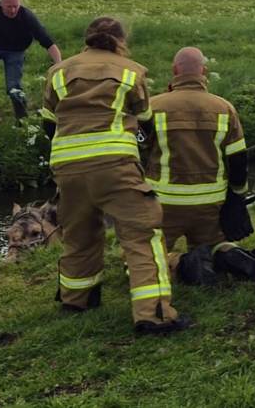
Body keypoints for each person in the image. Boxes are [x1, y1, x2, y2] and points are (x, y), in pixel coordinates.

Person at [41, 18, 190, 335]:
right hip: (115, 165)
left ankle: (77, 299)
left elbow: (48, 125)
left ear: (87, 39)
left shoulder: (58, 72)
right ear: (121, 41)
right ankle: (154, 315)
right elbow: (145, 119)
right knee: (142, 234)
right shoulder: (130, 71)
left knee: (79, 234)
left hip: (67, 167)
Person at [144, 47, 255, 284]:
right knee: (213, 243)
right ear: (204, 72)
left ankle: (182, 264)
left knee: (142, 259)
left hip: (165, 205)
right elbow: (238, 159)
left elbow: (136, 151)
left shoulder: (153, 107)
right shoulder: (224, 108)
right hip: (210, 204)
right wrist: (237, 195)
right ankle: (230, 255)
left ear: (174, 71)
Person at [0, 0, 61, 120]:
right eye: (9, 7)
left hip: (15, 51)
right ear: (0, 4)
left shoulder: (26, 16)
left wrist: (60, 65)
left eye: (16, 6)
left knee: (13, 86)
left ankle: (22, 118)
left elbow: (47, 41)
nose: (13, 10)